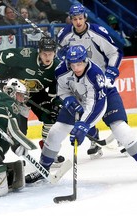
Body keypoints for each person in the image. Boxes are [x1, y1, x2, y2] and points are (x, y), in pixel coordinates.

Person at [25, 45, 137, 184]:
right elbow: (62, 90)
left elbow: (96, 106)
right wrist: (68, 99)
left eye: (79, 64)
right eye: (73, 64)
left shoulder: (95, 74)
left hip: (105, 97)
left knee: (121, 129)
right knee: (55, 131)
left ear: (85, 60)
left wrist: (83, 126)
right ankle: (43, 169)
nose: (77, 68)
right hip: (77, 98)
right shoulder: (61, 71)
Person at [56, 3, 123, 159]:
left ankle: (122, 138)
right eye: (74, 19)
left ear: (85, 17)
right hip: (77, 80)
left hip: (98, 78)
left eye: (80, 18)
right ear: (70, 19)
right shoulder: (64, 34)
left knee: (110, 107)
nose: (78, 22)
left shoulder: (97, 32)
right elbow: (58, 57)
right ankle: (94, 141)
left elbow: (115, 53)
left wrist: (111, 73)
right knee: (82, 113)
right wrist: (61, 54)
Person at [0, 37, 63, 162]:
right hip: (18, 96)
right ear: (39, 51)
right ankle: (19, 158)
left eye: (50, 54)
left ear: (55, 53)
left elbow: (57, 91)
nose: (47, 57)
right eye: (44, 54)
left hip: (37, 95)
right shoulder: (26, 56)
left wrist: (56, 105)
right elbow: (1, 57)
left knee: (51, 118)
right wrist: (2, 80)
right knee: (20, 131)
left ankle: (47, 153)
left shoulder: (57, 68)